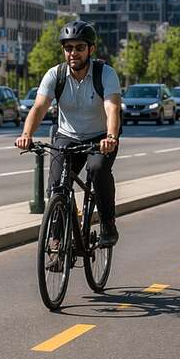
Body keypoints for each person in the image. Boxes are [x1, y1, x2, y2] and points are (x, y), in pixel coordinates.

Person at [17, 20, 122, 247]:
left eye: (79, 48)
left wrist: (111, 138)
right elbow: (39, 107)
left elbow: (112, 107)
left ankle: (107, 224)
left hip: (101, 137)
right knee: (56, 186)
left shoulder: (105, 74)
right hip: (67, 136)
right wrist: (26, 134)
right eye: (68, 48)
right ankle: (57, 240)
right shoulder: (56, 75)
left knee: (97, 169)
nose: (73, 53)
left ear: (90, 49)